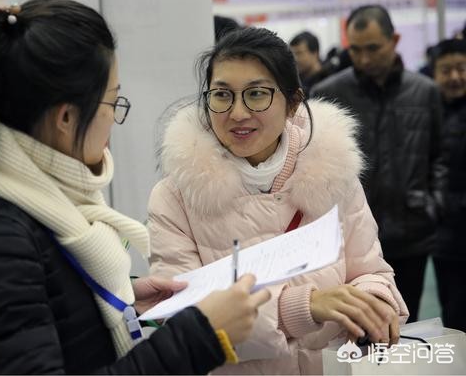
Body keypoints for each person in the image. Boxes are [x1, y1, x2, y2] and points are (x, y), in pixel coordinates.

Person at [0, 0, 271, 374]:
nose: (114, 119)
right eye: (112, 100)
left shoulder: (39, 208)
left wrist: (107, 303)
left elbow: (50, 316)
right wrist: (201, 334)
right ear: (67, 116)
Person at [148, 26, 408, 374]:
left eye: (257, 94)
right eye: (222, 95)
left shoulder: (334, 175)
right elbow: (185, 320)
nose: (238, 113)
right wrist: (303, 306)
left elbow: (371, 271)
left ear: (293, 103)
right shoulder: (177, 195)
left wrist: (373, 301)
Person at [311, 5, 446, 323]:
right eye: (355, 50)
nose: (364, 59)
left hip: (411, 229)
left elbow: (440, 155)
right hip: (349, 237)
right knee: (355, 327)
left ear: (394, 40)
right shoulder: (328, 94)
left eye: (373, 48)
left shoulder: (424, 92)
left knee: (405, 322)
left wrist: (432, 203)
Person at [430, 38, 466, 332]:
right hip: (445, 236)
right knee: (453, 312)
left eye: (461, 68)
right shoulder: (427, 111)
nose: (455, 77)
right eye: (446, 70)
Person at [289, 31, 327, 96]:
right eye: (292, 54)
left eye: (299, 53)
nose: (294, 58)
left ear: (315, 53)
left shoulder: (329, 80)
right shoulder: (294, 82)